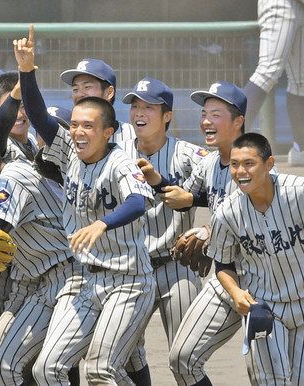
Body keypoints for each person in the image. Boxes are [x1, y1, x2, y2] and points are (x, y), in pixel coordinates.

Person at [15, 27, 156, 385]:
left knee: (99, 369)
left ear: (107, 131)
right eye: (74, 124)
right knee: (47, 370)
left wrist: (102, 224)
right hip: (83, 281)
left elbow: (139, 202)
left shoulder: (121, 160)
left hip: (128, 282)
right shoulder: (69, 153)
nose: (77, 131)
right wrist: (27, 70)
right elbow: (39, 117)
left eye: (87, 126)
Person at [0, 125, 85, 386]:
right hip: (37, 283)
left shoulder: (11, 177)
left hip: (71, 278)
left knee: (50, 369)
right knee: (3, 366)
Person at [146, 82, 255, 385]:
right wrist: (157, 181)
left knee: (266, 373)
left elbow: (252, 213)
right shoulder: (209, 163)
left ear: (238, 122)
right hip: (224, 278)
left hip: (264, 283)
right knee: (182, 358)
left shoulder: (253, 165)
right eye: (204, 113)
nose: (206, 120)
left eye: (216, 114)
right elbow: (189, 197)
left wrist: (209, 229)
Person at [118, 77, 208, 385]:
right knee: (122, 357)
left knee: (185, 358)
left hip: (176, 268)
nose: (139, 113)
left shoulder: (188, 155)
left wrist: (209, 229)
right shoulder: (116, 153)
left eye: (148, 107)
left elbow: (234, 180)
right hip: (131, 269)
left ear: (167, 115)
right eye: (135, 106)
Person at [211, 132, 304, 384]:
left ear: (269, 164)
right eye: (234, 164)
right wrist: (235, 293)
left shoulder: (302, 194)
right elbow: (223, 264)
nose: (240, 171)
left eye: (248, 164)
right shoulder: (227, 211)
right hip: (264, 308)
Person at [242, 0, 304, 165]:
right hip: (281, 3)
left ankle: (302, 150)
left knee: (303, 82)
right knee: (267, 72)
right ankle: (231, 141)